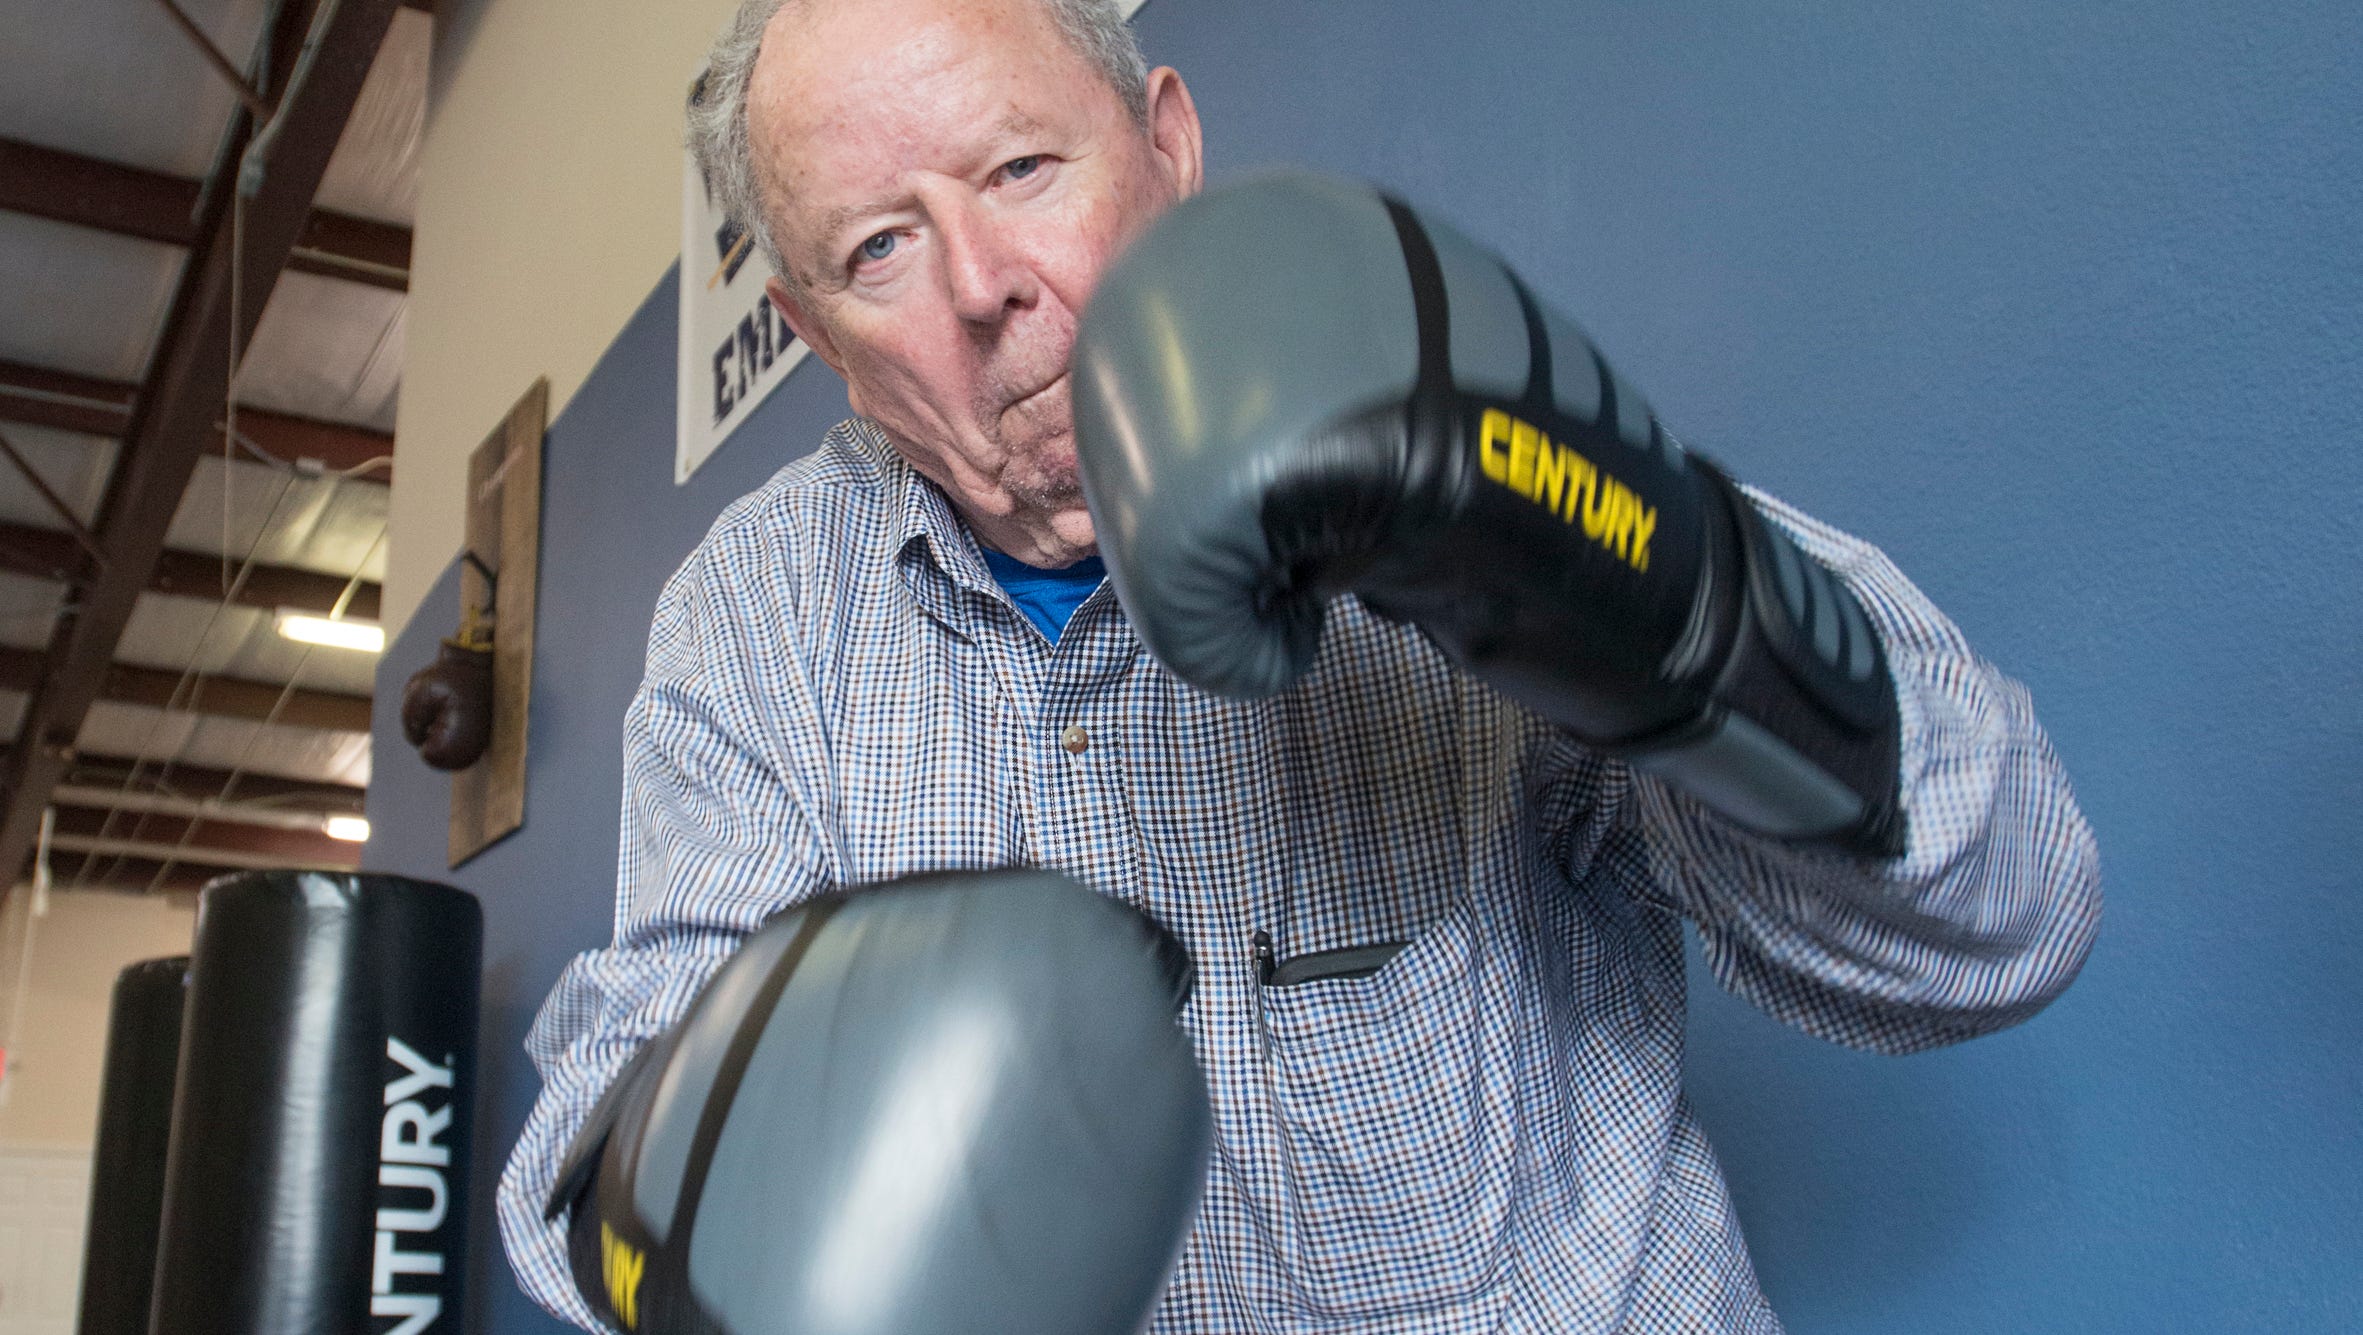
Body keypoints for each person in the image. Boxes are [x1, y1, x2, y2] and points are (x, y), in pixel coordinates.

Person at [497, 0, 2103, 1330]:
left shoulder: (1430, 415)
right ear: (820, 340)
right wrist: (707, 1236)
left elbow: (2011, 919)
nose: (984, 283)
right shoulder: (758, 620)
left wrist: (1655, 594)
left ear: (1170, 147)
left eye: (1022, 166)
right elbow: (586, 1137)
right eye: (879, 250)